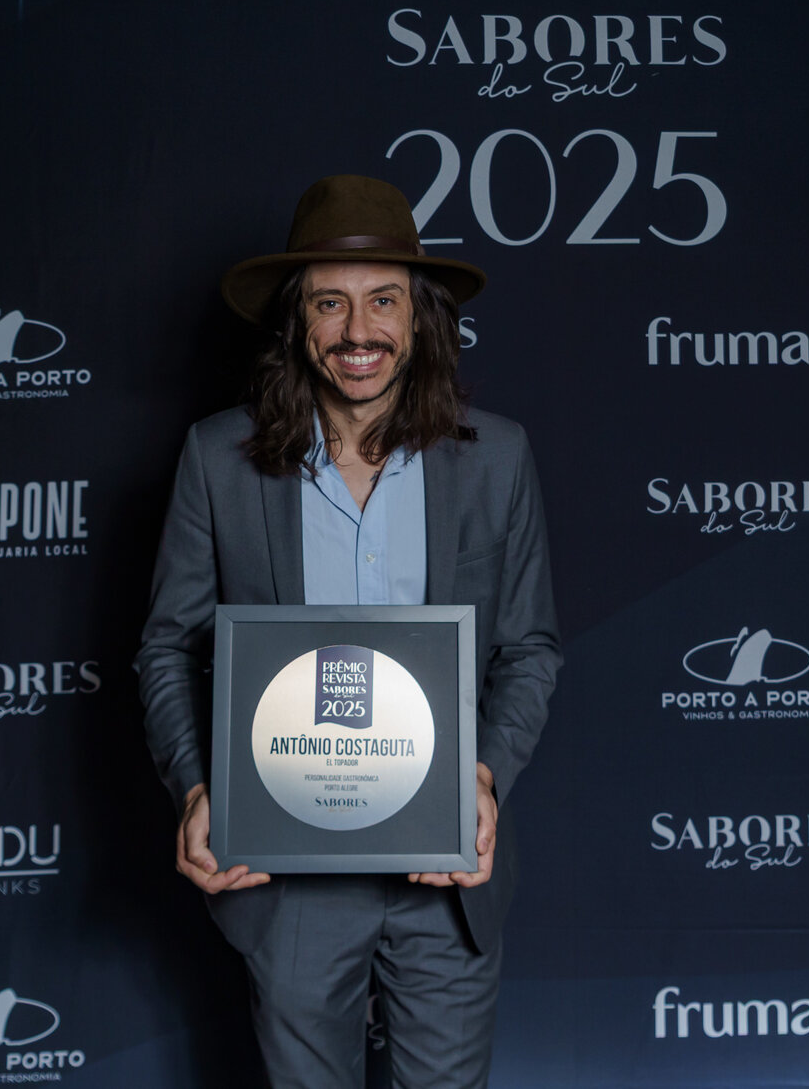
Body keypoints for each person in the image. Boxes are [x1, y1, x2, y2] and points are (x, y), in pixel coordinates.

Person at [135, 174, 561, 1089]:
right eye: (330, 302)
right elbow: (168, 646)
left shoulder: (497, 459)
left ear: (420, 319)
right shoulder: (218, 459)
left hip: (444, 875)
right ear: (298, 321)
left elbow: (529, 649)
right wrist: (197, 786)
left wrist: (480, 777)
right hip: (286, 875)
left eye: (383, 301)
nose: (358, 331)